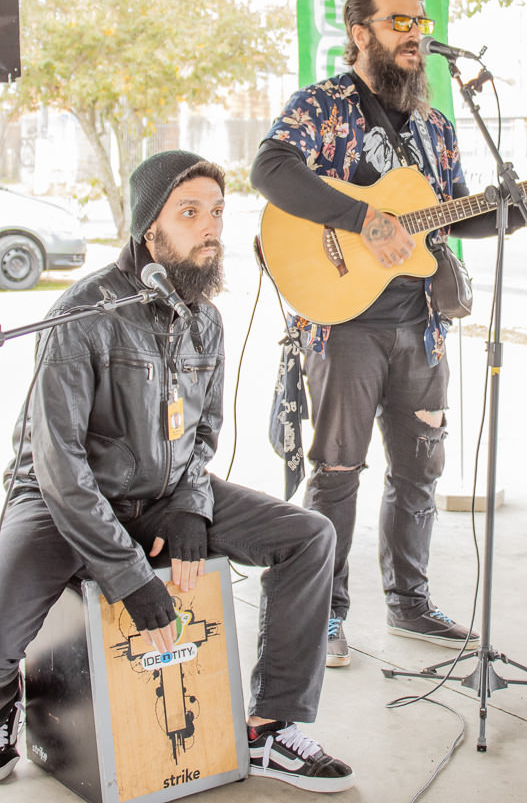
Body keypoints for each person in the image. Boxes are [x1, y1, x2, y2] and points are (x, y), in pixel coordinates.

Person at [0, 150, 354, 794]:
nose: (209, 227)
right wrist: (129, 576)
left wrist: (191, 503)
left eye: (216, 211)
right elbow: (57, 462)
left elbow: (202, 434)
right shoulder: (82, 313)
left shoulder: (205, 321)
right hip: (60, 498)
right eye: (189, 212)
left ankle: (271, 729)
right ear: (148, 227)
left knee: (309, 536)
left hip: (163, 493)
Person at [251, 0, 527, 669]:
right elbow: (270, 169)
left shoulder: (435, 126)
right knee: (337, 472)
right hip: (341, 327)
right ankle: (325, 614)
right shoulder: (323, 105)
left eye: (420, 22)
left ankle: (410, 603)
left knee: (419, 469)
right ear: (359, 32)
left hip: (420, 326)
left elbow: (456, 215)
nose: (415, 34)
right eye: (399, 22)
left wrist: (526, 207)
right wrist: (362, 218)